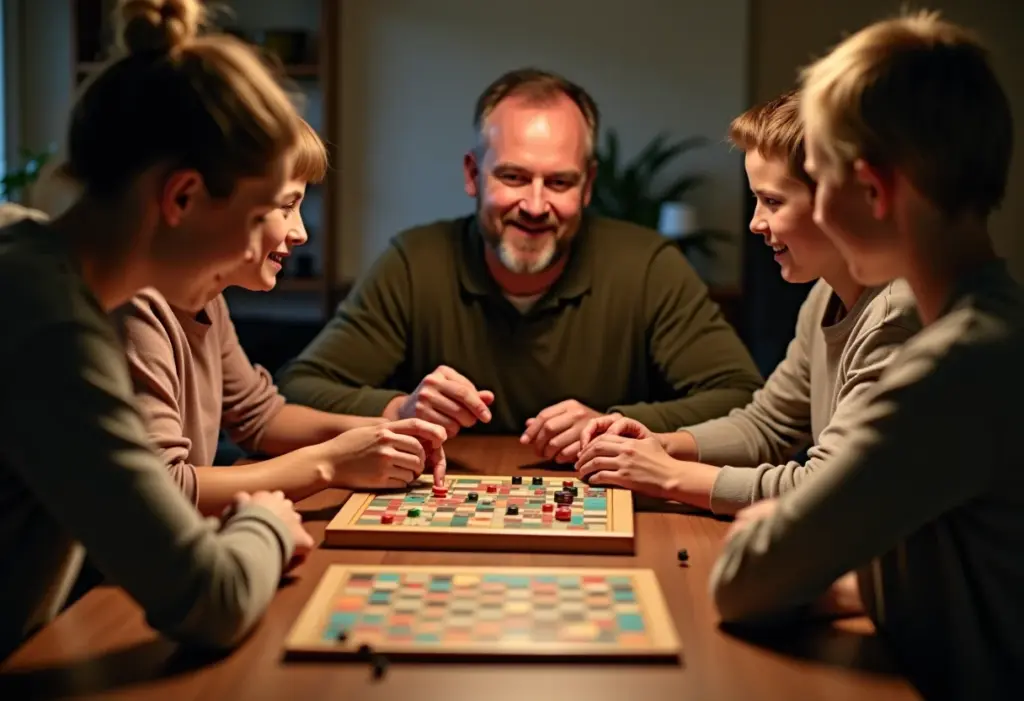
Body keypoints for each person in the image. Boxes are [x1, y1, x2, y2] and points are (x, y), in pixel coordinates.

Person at [707, 12, 1023, 700]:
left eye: (818, 181)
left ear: (876, 191)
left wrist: (782, 539)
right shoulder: (994, 330)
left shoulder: (952, 367)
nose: (811, 210)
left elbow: (744, 581)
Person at [0, 0, 313, 661]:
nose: (276, 239)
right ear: (181, 198)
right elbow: (212, 597)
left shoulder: (25, 251)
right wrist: (266, 520)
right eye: (263, 213)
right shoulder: (54, 330)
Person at [276, 67, 763, 462]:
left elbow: (741, 398)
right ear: (474, 175)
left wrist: (615, 421)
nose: (534, 205)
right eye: (512, 176)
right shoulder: (414, 262)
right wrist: (397, 409)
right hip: (446, 505)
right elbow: (297, 391)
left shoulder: (649, 266)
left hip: (600, 505)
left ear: (588, 186)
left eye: (559, 182)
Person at [574, 90, 919, 514]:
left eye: (772, 201)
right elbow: (769, 425)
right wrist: (660, 445)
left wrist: (668, 475)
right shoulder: (825, 295)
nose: (755, 222)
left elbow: (834, 490)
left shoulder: (897, 316)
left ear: (843, 200)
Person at [119, 118, 448, 518]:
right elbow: (162, 488)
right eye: (287, 206)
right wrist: (328, 464)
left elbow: (260, 416)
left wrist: (382, 431)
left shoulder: (209, 300)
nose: (301, 233)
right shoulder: (137, 306)